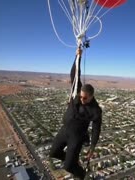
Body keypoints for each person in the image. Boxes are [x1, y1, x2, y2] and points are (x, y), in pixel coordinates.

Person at [49, 48, 102, 180]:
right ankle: (72, 160)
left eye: (85, 98)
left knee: (68, 167)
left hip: (76, 137)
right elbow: (74, 74)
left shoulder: (95, 110)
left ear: (92, 96)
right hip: (64, 130)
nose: (82, 100)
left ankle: (81, 174)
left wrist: (92, 146)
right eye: (81, 97)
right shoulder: (77, 92)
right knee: (54, 152)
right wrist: (77, 57)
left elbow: (96, 129)